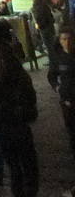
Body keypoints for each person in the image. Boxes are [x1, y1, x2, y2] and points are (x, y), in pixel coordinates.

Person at [0, 43, 39, 195]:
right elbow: (29, 97)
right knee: (28, 163)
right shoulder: (18, 74)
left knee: (13, 165)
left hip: (1, 123)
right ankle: (29, 191)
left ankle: (18, 191)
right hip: (18, 121)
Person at [49, 25, 75, 160]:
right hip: (67, 99)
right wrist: (57, 87)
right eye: (63, 39)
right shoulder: (57, 57)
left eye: (69, 39)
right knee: (71, 129)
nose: (66, 42)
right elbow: (52, 76)